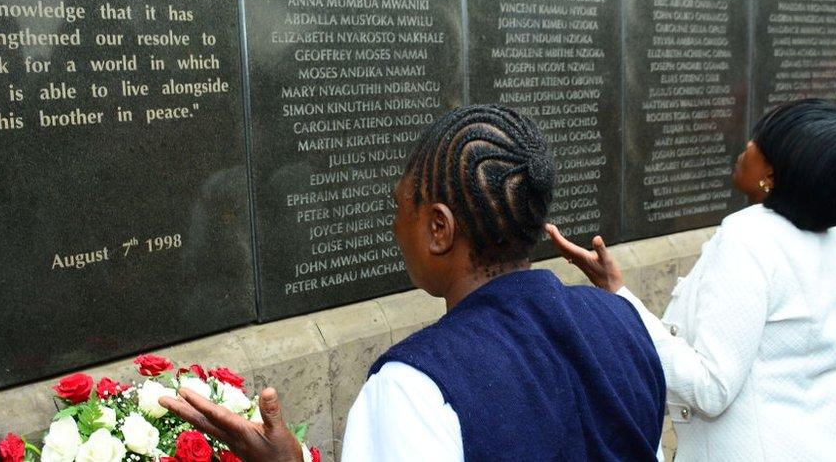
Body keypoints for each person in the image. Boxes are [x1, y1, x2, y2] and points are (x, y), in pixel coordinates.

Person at [161, 104, 667, 461]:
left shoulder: (414, 388)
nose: (394, 223)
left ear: (439, 229)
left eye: (399, 206)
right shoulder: (623, 320)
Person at [548, 98, 836, 461]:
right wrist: (616, 288)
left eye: (762, 142)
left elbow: (709, 389)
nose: (748, 144)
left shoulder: (749, 239)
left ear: (771, 176)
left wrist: (624, 304)